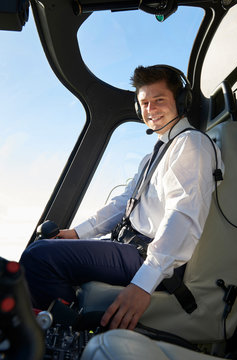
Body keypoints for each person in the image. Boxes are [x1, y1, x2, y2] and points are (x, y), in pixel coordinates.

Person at [20, 65, 224, 331]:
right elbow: (123, 203)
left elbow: (182, 216)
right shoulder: (155, 154)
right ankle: (70, 328)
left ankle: (67, 334)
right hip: (131, 247)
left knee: (39, 260)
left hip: (149, 256)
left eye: (159, 100)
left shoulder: (190, 145)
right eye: (145, 103)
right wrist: (79, 233)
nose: (150, 110)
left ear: (181, 101)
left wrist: (144, 283)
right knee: (39, 250)